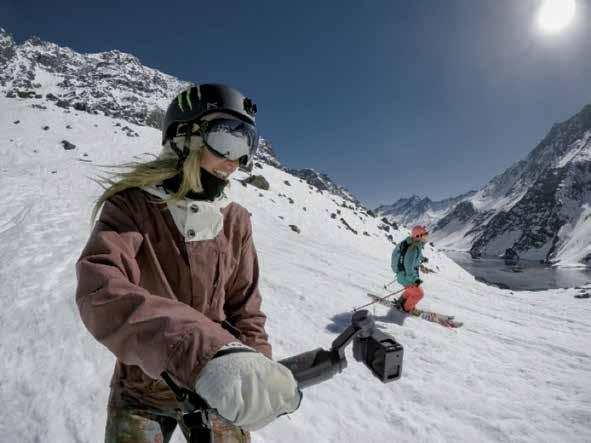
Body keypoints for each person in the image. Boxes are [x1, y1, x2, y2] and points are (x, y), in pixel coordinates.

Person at [75, 83, 301, 443]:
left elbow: (245, 309)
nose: (235, 162)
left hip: (218, 388)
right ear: (183, 138)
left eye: (246, 147)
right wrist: (200, 352)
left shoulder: (235, 221)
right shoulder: (133, 206)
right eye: (226, 142)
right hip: (143, 390)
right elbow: (100, 290)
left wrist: (256, 367)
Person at [390, 225, 429, 312]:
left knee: (410, 290)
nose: (426, 238)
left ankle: (401, 302)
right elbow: (408, 265)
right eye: (424, 235)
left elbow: (417, 254)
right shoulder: (412, 249)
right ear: (418, 236)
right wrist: (414, 279)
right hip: (406, 276)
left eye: (426, 235)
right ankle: (406, 308)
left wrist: (422, 258)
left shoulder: (414, 244)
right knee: (419, 294)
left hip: (403, 275)